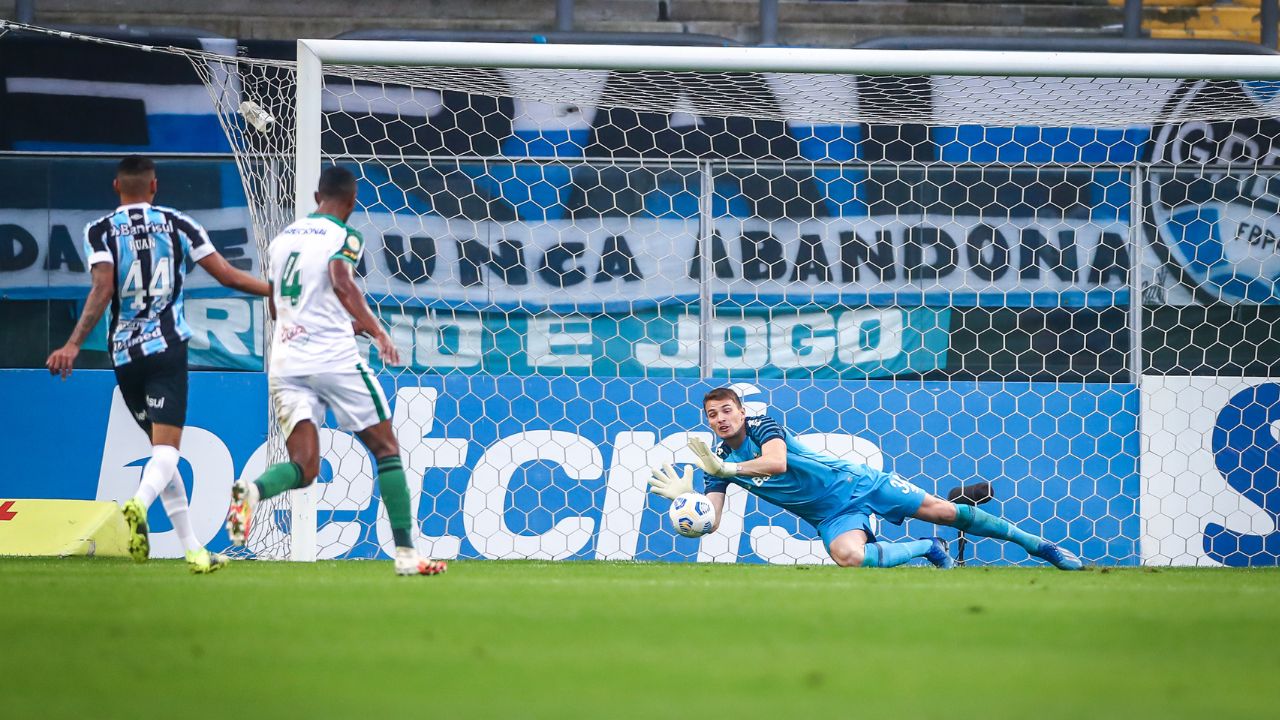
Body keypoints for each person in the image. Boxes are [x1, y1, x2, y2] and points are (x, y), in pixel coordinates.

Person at [46, 155, 271, 573]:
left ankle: (193, 551)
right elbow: (227, 276)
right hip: (166, 349)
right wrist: (275, 292)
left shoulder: (98, 230)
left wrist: (74, 343)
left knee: (160, 453)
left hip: (125, 356)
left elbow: (102, 289)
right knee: (166, 451)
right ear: (154, 186)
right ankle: (137, 503)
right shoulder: (179, 224)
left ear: (117, 186)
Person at [225, 165, 446, 577]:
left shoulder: (281, 241)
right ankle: (406, 555)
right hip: (334, 361)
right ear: (353, 200)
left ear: (315, 197)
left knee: (304, 468)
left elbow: (277, 308)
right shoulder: (344, 236)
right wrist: (378, 330)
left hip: (287, 362)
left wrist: (341, 322)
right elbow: (341, 281)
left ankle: (251, 492)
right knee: (386, 450)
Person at [649, 387, 1084, 570]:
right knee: (849, 558)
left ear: (742, 412)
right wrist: (690, 499)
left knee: (944, 511)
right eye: (712, 415)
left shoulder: (764, 427)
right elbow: (714, 520)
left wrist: (725, 470)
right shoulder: (717, 459)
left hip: (858, 483)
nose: (721, 419)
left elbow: (777, 463)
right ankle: (928, 549)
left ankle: (1040, 547)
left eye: (727, 410)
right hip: (829, 514)